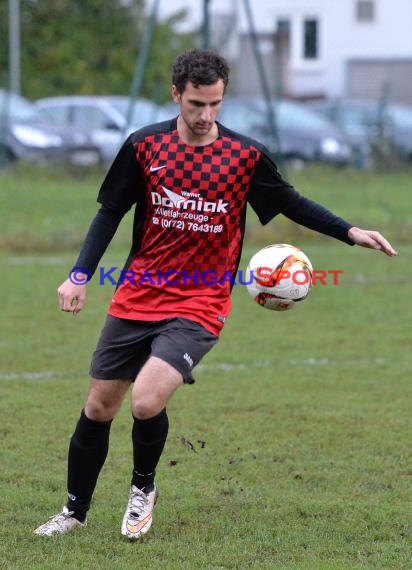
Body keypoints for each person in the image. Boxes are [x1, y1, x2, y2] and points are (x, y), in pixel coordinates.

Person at [34, 49, 397, 539]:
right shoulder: (144, 147)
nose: (206, 116)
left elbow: (290, 201)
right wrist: (79, 275)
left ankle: (143, 490)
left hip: (200, 301)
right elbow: (109, 214)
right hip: (137, 294)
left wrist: (350, 231)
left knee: (146, 401)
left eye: (216, 105)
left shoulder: (243, 156)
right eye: (196, 105)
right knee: (100, 407)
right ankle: (73, 513)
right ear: (176, 94)